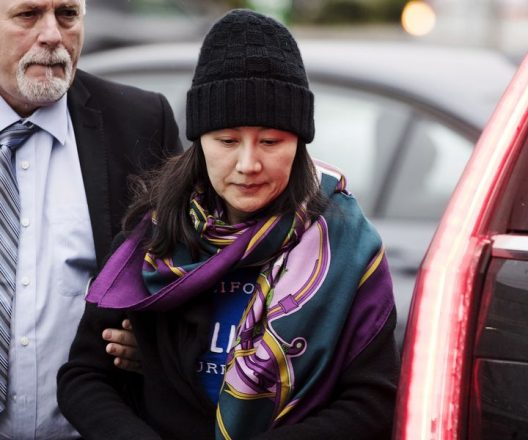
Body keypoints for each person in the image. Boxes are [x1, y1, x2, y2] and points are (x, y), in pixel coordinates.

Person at [57, 8, 399, 440]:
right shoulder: (157, 236)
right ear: (199, 141)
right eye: (227, 140)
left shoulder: (346, 248)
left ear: (299, 141)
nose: (248, 164)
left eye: (271, 141)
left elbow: (371, 403)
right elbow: (84, 378)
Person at [0, 0, 181, 438]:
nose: (52, 35)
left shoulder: (141, 123)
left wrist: (156, 346)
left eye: (67, 14)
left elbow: (189, 273)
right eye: (28, 15)